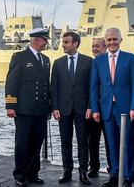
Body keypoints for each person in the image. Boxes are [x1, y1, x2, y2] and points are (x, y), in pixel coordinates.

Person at [90, 28, 134, 187]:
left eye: (115, 39)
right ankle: (114, 174)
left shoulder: (130, 58)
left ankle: (128, 176)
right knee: (111, 143)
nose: (112, 42)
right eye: (109, 39)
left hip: (126, 109)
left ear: (120, 40)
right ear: (105, 41)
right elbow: (94, 87)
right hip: (106, 109)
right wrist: (95, 109)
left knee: (127, 143)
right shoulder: (98, 61)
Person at [5, 28, 52, 186]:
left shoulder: (46, 60)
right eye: (45, 40)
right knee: (22, 142)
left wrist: (49, 107)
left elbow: (46, 85)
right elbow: (12, 81)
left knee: (36, 142)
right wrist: (10, 105)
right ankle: (20, 174)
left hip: (40, 109)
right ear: (36, 40)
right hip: (24, 109)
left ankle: (33, 173)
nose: (46, 43)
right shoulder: (20, 57)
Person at [51, 32, 93, 185]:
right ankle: (67, 171)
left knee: (83, 142)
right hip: (63, 109)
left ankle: (83, 173)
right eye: (63, 42)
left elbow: (92, 87)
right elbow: (53, 87)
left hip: (83, 110)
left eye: (66, 42)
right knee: (65, 142)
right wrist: (54, 107)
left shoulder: (89, 62)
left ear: (75, 43)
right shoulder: (58, 63)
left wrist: (90, 106)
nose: (63, 44)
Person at [88, 37, 112, 179]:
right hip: (93, 109)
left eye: (97, 46)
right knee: (92, 141)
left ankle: (113, 168)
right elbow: (88, 89)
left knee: (111, 141)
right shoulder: (90, 64)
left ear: (105, 47)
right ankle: (94, 168)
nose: (95, 48)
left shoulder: (111, 63)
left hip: (109, 109)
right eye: (93, 46)